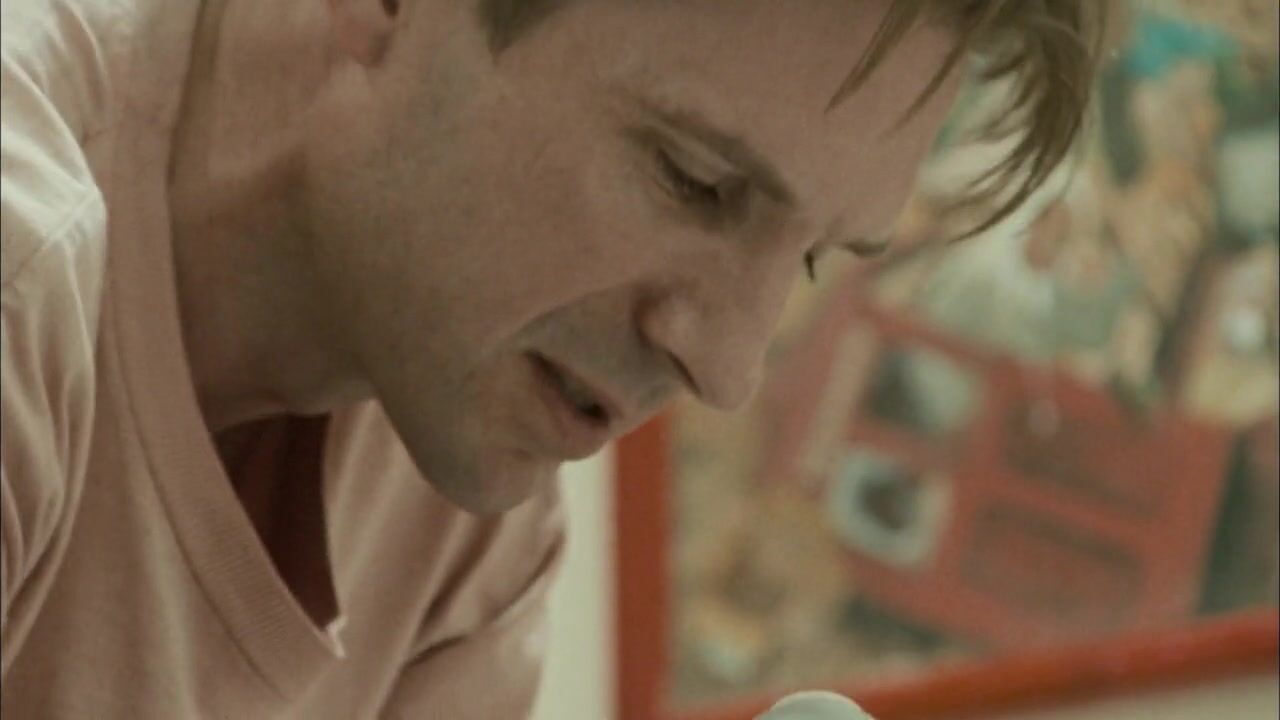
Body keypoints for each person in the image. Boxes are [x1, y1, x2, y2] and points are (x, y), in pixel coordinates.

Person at [0, 0, 1104, 716]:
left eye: (811, 258)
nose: (727, 371)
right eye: (696, 182)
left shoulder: (471, 513)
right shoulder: (22, 246)